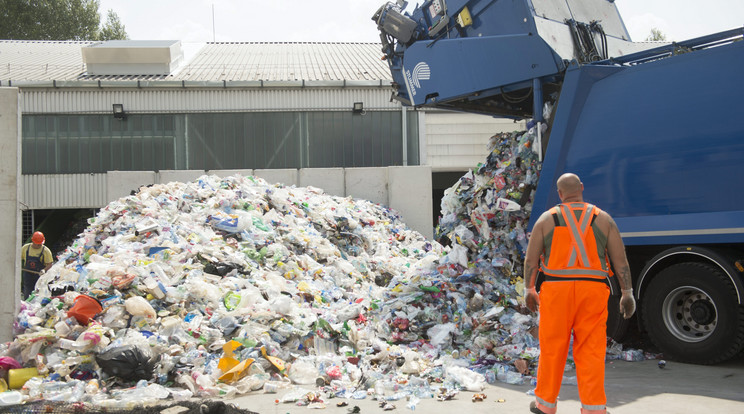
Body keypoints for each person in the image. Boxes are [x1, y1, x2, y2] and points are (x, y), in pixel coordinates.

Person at [523, 173, 636, 414]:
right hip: (592, 291)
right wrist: (627, 293)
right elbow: (621, 260)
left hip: (555, 291)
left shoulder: (547, 219)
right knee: (591, 350)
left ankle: (545, 405)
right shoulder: (603, 219)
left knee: (553, 348)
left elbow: (531, 259)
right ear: (582, 188)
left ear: (559, 193)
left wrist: (529, 288)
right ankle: (594, 408)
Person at [21, 231, 54, 299]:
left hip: (39, 275)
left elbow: (50, 264)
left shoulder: (45, 251)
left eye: (40, 244)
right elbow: (18, 258)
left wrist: (44, 270)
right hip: (28, 274)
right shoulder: (25, 248)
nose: (39, 246)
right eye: (37, 244)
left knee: (38, 293)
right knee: (27, 291)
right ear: (33, 241)